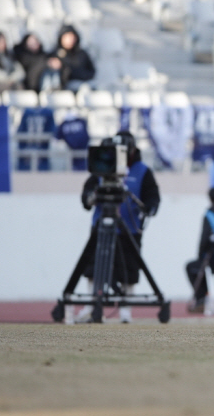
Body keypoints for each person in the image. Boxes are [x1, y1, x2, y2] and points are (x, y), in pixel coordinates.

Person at [75, 131, 160, 323]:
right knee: (93, 268)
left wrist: (150, 208)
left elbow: (152, 196)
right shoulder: (100, 169)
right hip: (101, 226)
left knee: (128, 271)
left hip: (129, 229)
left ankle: (125, 312)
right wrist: (91, 197)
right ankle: (91, 307)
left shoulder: (142, 171)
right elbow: (86, 195)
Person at [50, 25, 96, 92]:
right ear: (61, 38)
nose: (70, 40)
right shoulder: (55, 54)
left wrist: (82, 75)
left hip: (83, 83)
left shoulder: (82, 53)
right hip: (65, 87)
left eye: (72, 37)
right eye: (67, 37)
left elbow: (92, 70)